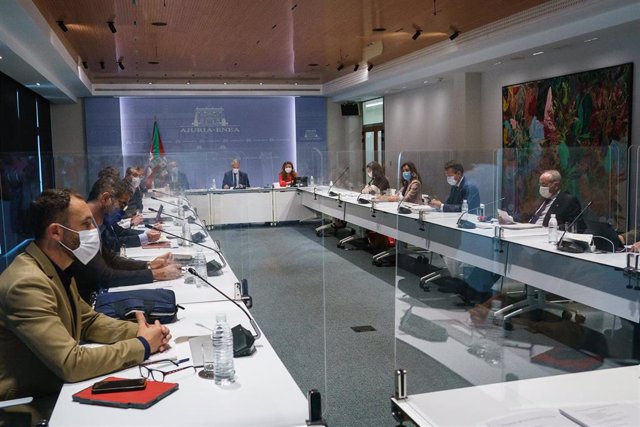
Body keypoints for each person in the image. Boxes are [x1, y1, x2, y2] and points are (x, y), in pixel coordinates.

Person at [0, 189, 171, 420]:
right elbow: (72, 364)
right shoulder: (26, 283)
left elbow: (88, 321)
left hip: (54, 387)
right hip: (29, 404)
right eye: (86, 224)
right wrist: (142, 345)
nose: (94, 232)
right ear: (56, 232)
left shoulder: (55, 265)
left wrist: (143, 331)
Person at [71, 175, 182, 303]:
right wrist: (156, 274)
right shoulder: (81, 230)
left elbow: (111, 260)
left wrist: (149, 265)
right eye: (122, 204)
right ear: (105, 198)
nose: (123, 211)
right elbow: (105, 276)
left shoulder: (96, 226)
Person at [499, 169, 585, 231]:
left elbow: (578, 225)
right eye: (540, 184)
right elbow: (527, 215)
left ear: (556, 185)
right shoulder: (542, 198)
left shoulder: (568, 200)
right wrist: (509, 219)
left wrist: (555, 227)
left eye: (544, 184)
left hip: (546, 236)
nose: (541, 188)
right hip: (529, 232)